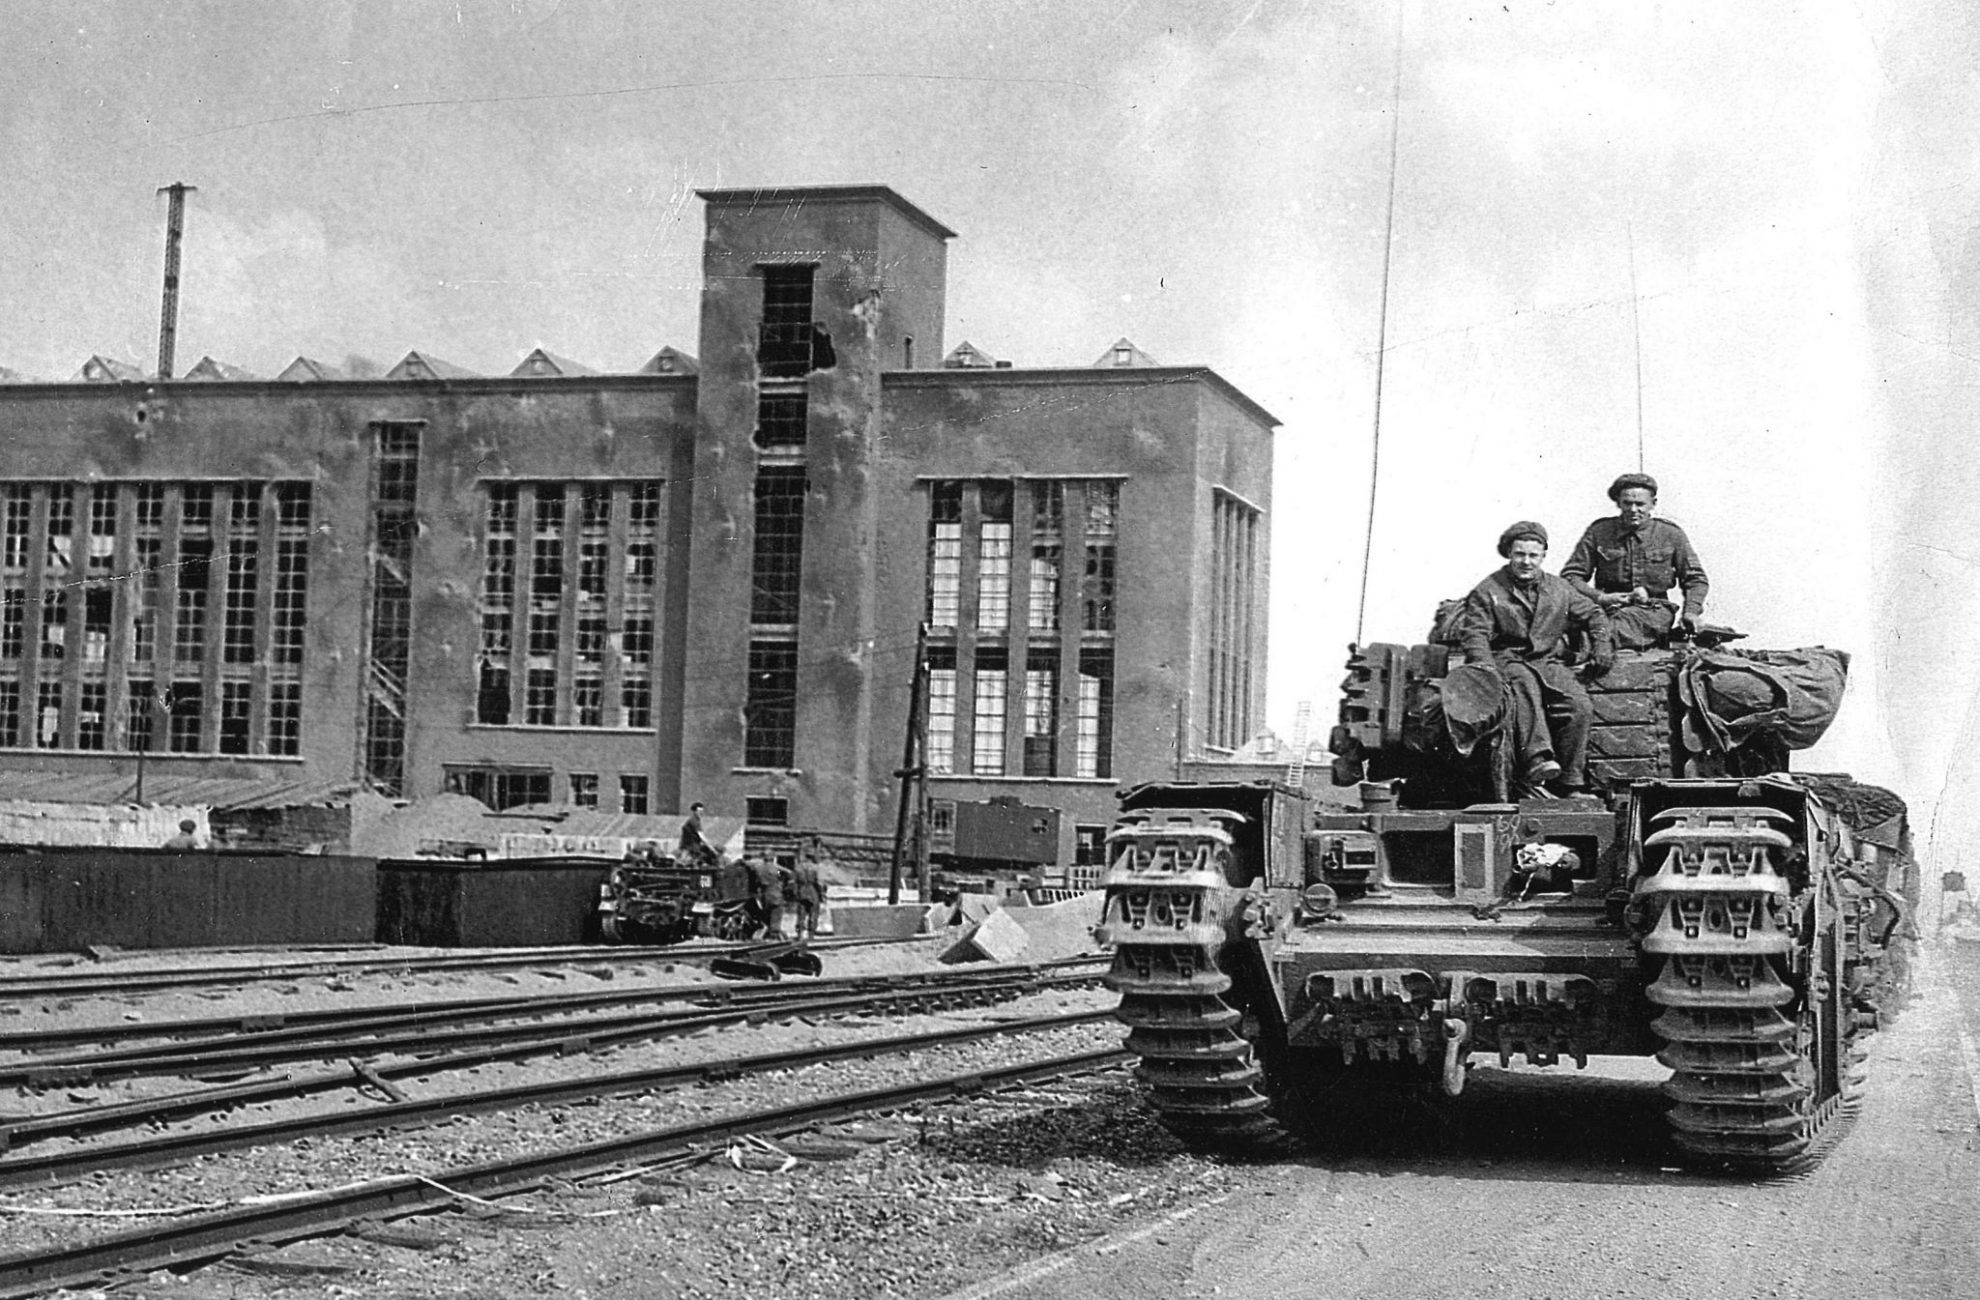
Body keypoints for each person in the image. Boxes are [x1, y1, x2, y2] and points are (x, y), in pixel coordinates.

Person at [1457, 521, 1613, 795]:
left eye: (1533, 555)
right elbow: (1476, 634)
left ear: (1543, 556)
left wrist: (1602, 645)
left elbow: (1594, 614)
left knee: (1579, 706)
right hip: (1506, 659)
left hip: (1548, 661)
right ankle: (1537, 759)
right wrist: (1486, 669)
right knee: (1524, 686)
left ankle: (1570, 783)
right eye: (1520, 554)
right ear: (1509, 554)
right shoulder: (1488, 590)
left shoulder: (1559, 588)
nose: (1526, 562)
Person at [1560, 472, 1710, 651]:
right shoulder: (1600, 532)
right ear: (1618, 503)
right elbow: (1571, 575)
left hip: (1653, 611)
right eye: (1627, 503)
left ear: (1653, 504)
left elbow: (1696, 579)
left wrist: (1691, 612)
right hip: (1604, 608)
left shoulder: (1670, 534)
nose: (1633, 510)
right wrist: (1600, 597)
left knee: (1605, 632)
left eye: (1640, 504)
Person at [745, 855, 786, 938]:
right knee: (776, 913)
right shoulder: (776, 868)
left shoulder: (759, 868)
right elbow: (787, 873)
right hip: (775, 893)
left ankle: (770, 932)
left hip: (764, 894)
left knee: (767, 914)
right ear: (773, 858)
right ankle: (773, 935)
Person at [792, 852, 826, 939]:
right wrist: (822, 894)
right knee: (813, 913)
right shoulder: (816, 868)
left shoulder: (798, 867)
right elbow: (819, 883)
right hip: (812, 891)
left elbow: (793, 882)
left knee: (801, 914)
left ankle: (799, 934)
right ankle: (811, 934)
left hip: (802, 891)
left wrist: (795, 893)